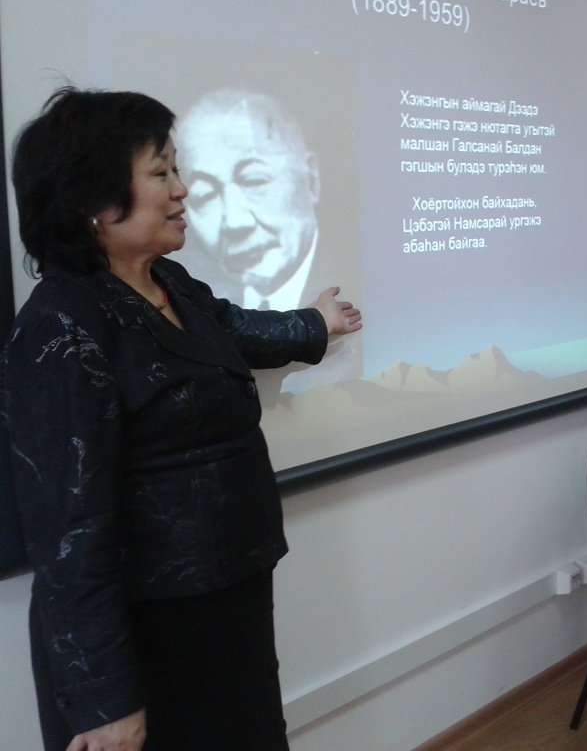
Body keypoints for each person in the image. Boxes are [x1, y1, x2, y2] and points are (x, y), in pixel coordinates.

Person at [0, 86, 362, 751]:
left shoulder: (171, 285)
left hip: (225, 605)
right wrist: (106, 700)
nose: (181, 190)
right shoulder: (61, 328)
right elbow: (68, 533)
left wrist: (314, 323)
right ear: (91, 201)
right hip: (149, 635)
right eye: (160, 172)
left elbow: (233, 328)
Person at [175, 89, 334, 311]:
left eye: (254, 181)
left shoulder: (364, 274)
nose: (235, 222)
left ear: (311, 180)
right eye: (206, 195)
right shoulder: (199, 304)